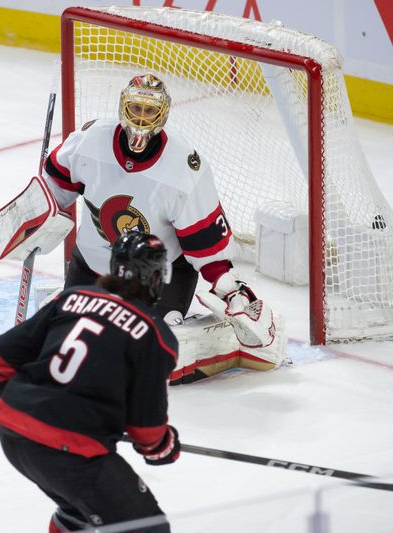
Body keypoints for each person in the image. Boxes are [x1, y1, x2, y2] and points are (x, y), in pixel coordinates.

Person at [36, 73, 284, 383]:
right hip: (93, 266)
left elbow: (206, 246)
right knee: (70, 344)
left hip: (160, 276)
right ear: (123, 107)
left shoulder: (184, 169)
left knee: (152, 360)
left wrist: (236, 295)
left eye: (149, 111)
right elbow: (52, 190)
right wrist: (32, 216)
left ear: (162, 114)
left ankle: (221, 342)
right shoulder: (90, 141)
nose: (141, 118)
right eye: (135, 108)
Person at [0, 231, 179, 533]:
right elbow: (146, 432)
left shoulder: (73, 297)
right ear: (156, 277)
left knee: (78, 514)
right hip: (71, 455)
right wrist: (164, 445)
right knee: (149, 528)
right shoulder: (155, 334)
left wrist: (24, 405)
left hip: (13, 437)